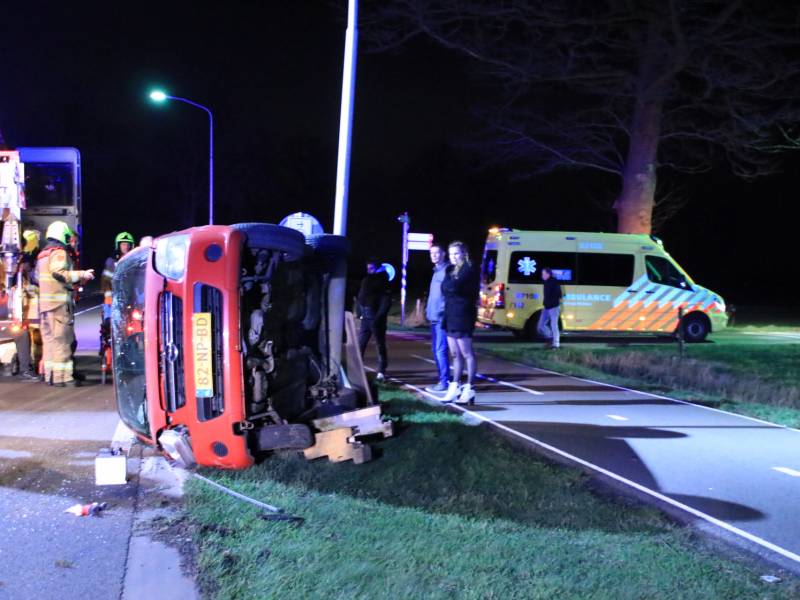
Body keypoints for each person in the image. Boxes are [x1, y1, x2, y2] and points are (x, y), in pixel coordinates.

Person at [37, 221, 94, 387]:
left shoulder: (43, 254)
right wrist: (82, 274)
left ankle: (51, 376)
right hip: (59, 304)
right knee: (63, 340)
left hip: (46, 306)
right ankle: (65, 377)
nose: (70, 240)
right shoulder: (58, 252)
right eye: (68, 236)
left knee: (49, 342)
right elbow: (59, 273)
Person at [440, 241, 481, 404]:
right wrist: (450, 285)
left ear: (464, 253)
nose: (453, 257)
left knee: (467, 353)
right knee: (455, 354)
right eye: (451, 254)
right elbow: (445, 288)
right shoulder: (450, 270)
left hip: (463, 315)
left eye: (456, 253)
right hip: (450, 315)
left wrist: (450, 285)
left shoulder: (470, 269)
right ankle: (454, 386)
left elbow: (454, 287)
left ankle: (470, 388)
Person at [12, 229, 42, 381]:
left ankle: (27, 366)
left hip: (26, 308)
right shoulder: (27, 261)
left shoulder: (21, 260)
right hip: (27, 309)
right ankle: (27, 367)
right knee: (25, 335)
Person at [357, 258, 391, 380]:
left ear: (377, 268)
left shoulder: (382, 280)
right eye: (368, 268)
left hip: (376, 317)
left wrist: (379, 317)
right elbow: (360, 296)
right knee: (360, 343)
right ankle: (357, 367)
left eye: (371, 268)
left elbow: (386, 300)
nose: (369, 270)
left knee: (379, 344)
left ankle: (381, 370)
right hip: (365, 317)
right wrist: (359, 312)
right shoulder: (366, 280)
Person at [100, 232, 134, 346]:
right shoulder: (111, 261)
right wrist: (111, 299)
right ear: (118, 245)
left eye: (128, 244)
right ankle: (106, 345)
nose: (126, 246)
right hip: (113, 299)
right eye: (123, 244)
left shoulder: (134, 260)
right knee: (108, 324)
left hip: (129, 299)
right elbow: (106, 281)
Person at [424, 243, 450, 393]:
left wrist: (441, 311)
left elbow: (446, 295)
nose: (434, 255)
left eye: (437, 253)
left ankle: (444, 382)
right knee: (436, 350)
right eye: (431, 253)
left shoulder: (446, 271)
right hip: (433, 317)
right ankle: (442, 379)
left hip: (440, 317)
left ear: (443, 254)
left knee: (440, 350)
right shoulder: (436, 271)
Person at [537, 267, 563, 349]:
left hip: (554, 307)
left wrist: (552, 301)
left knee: (554, 326)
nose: (542, 276)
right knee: (540, 326)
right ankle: (550, 338)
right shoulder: (545, 282)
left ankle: (556, 344)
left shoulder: (554, 282)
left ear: (548, 274)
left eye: (543, 274)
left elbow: (559, 294)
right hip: (546, 307)